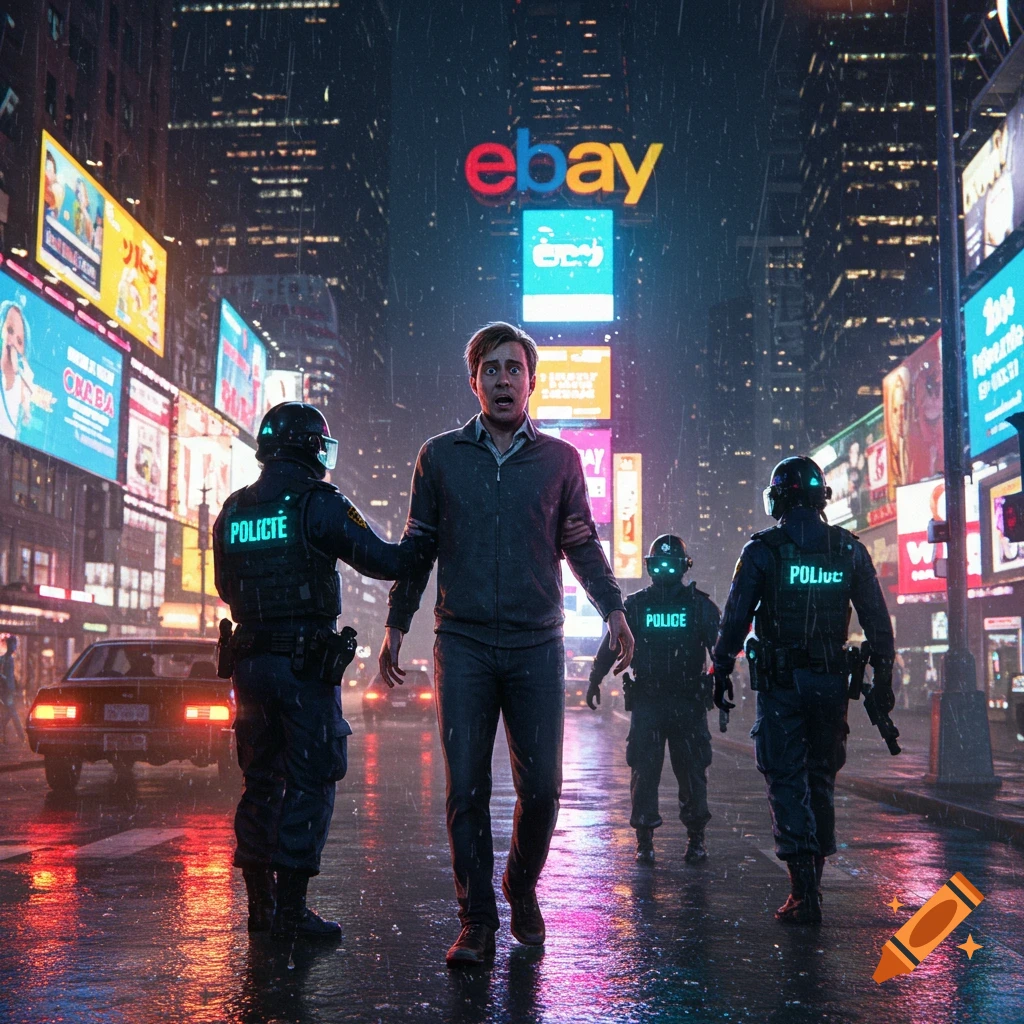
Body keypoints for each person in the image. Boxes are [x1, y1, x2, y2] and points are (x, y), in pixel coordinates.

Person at [379, 321, 634, 966]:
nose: (502, 380)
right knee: (464, 789)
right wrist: (397, 622)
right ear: (474, 381)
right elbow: (419, 548)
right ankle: (477, 923)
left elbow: (580, 541)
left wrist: (613, 610)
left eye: (513, 368)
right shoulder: (439, 457)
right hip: (461, 641)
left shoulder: (560, 460)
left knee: (542, 789)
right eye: (490, 369)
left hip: (536, 645)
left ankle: (520, 888)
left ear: (530, 380)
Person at [213, 401, 433, 944]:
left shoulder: (234, 509)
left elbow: (225, 586)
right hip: (303, 666)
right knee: (311, 781)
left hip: (250, 664)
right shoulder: (319, 502)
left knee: (261, 782)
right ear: (313, 447)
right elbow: (383, 562)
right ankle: (291, 912)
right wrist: (425, 540)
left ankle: (260, 911)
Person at [712, 456, 895, 925]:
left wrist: (719, 668)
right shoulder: (849, 550)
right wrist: (884, 679)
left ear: (780, 497)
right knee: (820, 777)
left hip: (783, 685)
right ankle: (813, 881)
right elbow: (877, 621)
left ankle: (803, 891)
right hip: (832, 684)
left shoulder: (762, 551)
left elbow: (735, 621)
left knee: (786, 776)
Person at [587, 535, 720, 865]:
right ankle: (647, 840)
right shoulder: (639, 605)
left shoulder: (692, 607)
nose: (663, 570)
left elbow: (722, 652)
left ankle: (694, 838)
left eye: (668, 564)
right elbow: (611, 645)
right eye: (658, 564)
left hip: (683, 702)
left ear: (682, 567)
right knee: (646, 773)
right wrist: (595, 677)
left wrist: (722, 683)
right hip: (654, 701)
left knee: (689, 774)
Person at [0, 636, 26, 745]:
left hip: (10, 691)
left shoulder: (10, 659)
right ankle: (22, 737)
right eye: (12, 644)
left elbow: (10, 676)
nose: (14, 646)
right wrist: (4, 679)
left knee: (9, 715)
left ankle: (4, 735)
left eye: (15, 644)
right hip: (7, 691)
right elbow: (5, 675)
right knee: (13, 713)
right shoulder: (4, 659)